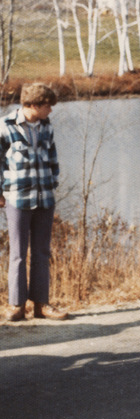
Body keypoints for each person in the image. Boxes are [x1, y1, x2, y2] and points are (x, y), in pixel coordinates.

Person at [0, 82, 68, 322]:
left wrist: (53, 183)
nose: (51, 110)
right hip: (17, 198)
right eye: (48, 106)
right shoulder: (5, 126)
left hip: (45, 199)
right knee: (18, 253)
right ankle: (16, 306)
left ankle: (41, 305)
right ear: (35, 105)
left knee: (41, 251)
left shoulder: (46, 127)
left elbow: (53, 159)